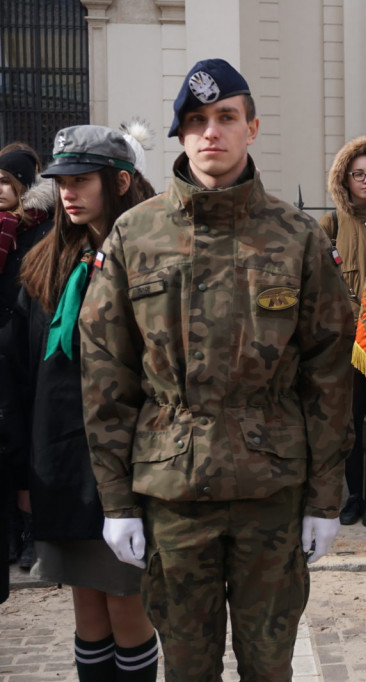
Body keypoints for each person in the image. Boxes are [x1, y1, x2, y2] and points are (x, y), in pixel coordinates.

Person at [77, 58, 354, 681]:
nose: (212, 132)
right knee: (187, 668)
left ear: (251, 128)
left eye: (226, 117)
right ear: (179, 135)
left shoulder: (295, 237)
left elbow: (330, 373)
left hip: (272, 494)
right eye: (196, 120)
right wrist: (117, 501)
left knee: (269, 666)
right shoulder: (134, 235)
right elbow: (105, 375)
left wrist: (326, 498)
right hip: (175, 498)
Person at [1, 125, 159, 680]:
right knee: (87, 607)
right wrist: (24, 470)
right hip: (60, 463)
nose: (68, 192)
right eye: (61, 181)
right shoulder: (45, 262)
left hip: (127, 465)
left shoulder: (149, 256)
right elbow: (19, 375)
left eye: (82, 180)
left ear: (118, 182)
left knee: (125, 602)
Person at [319, 135, 366, 528]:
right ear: (344, 179)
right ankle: (353, 498)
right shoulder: (329, 224)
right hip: (344, 341)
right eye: (358, 174)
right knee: (350, 421)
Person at [0, 145, 52, 573]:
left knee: (27, 440)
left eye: (6, 182)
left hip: (25, 343)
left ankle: (33, 532)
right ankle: (13, 531)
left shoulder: (38, 228)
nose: (0, 190)